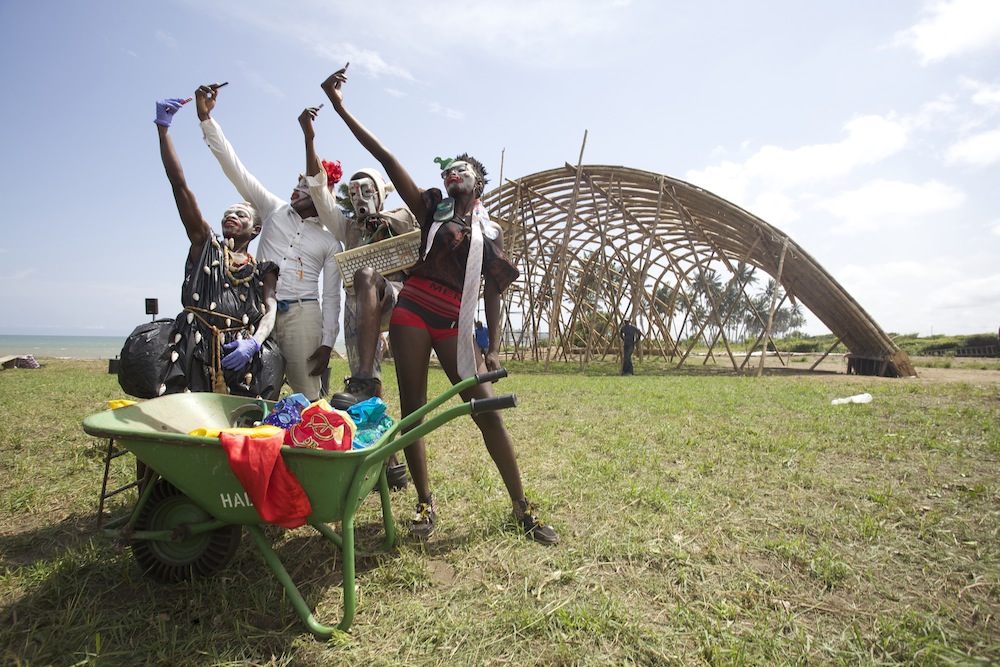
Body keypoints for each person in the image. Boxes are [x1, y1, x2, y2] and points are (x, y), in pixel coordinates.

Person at [322, 67, 558, 545]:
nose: (453, 171)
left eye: (463, 167)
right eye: (450, 167)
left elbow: (493, 289)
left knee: (486, 411)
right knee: (412, 412)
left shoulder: (489, 233)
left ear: (478, 183)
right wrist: (341, 107)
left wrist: (490, 346)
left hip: (455, 322)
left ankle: (521, 506)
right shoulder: (431, 206)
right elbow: (385, 157)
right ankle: (425, 504)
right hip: (412, 312)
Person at [196, 84, 345, 402]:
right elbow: (236, 169)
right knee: (256, 391)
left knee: (308, 397)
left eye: (304, 182)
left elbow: (332, 297)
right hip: (258, 311)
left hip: (304, 318)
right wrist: (207, 118)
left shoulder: (330, 241)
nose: (296, 185)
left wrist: (328, 342)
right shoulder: (274, 209)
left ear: (321, 192)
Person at [153, 97, 280, 398]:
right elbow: (179, 185)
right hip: (192, 351)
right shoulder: (205, 246)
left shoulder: (263, 269)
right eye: (227, 213)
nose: (230, 216)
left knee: (239, 424)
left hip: (240, 356)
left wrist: (255, 342)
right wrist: (163, 130)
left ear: (256, 229)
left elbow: (271, 308)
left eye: (241, 214)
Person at [319, 166, 418, 491]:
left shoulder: (400, 214)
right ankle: (389, 464)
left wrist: (389, 222)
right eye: (353, 191)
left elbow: (417, 232)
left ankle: (364, 381)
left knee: (366, 276)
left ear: (378, 192)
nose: (360, 197)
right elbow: (322, 199)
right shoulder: (348, 227)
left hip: (394, 296)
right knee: (362, 386)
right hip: (357, 309)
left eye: (366, 190)